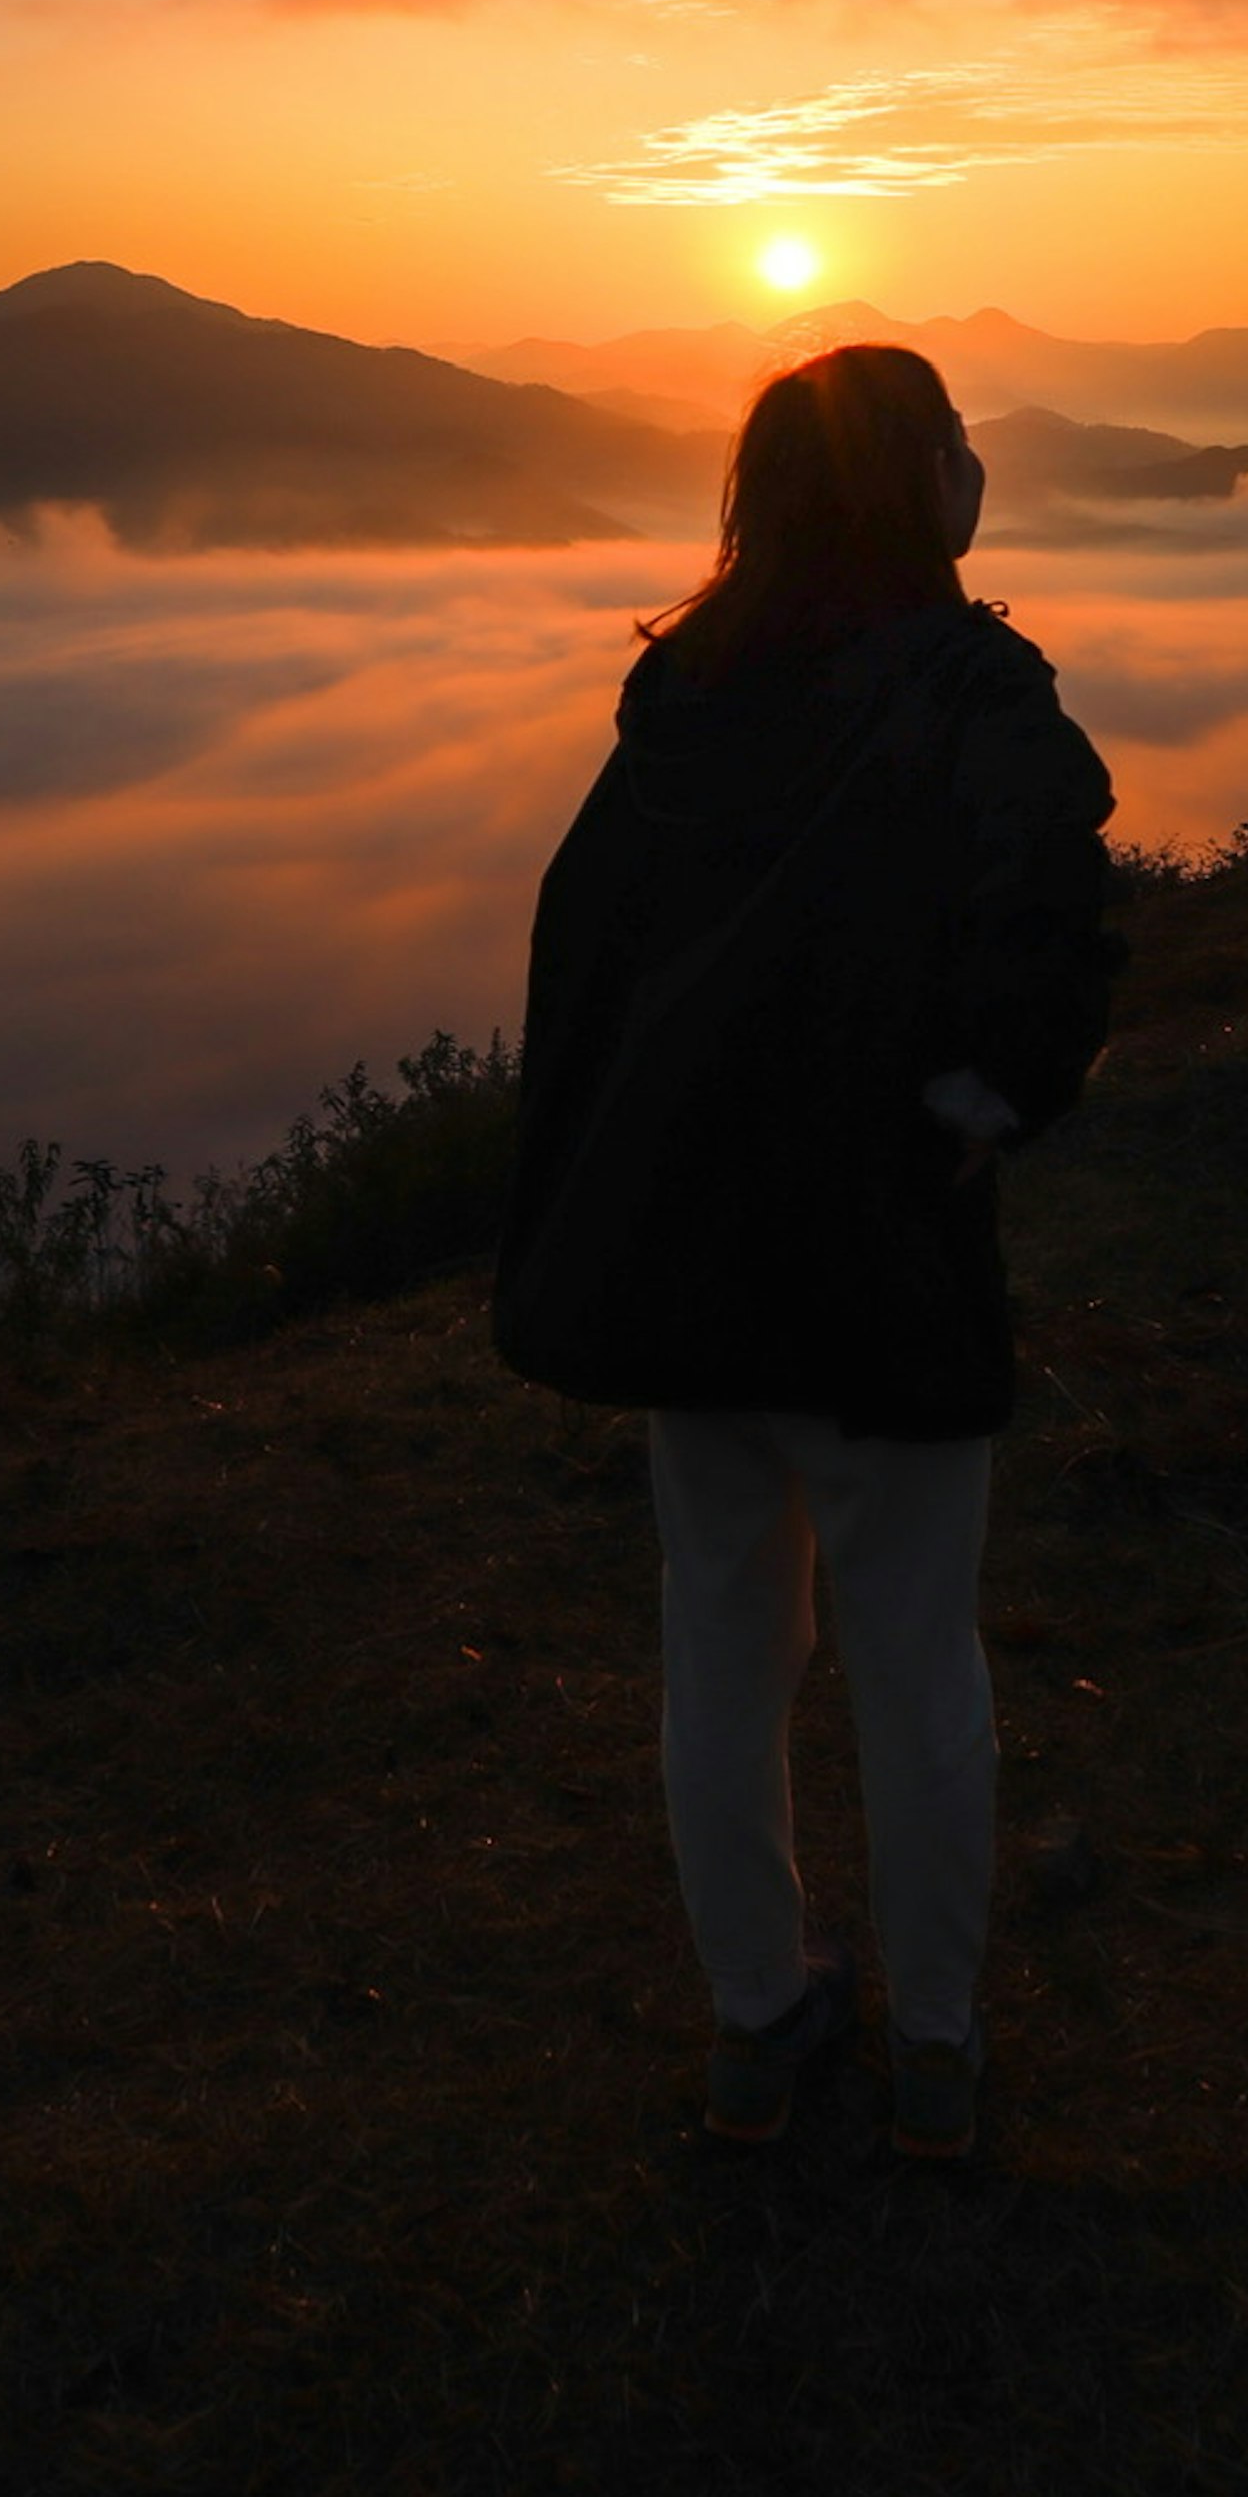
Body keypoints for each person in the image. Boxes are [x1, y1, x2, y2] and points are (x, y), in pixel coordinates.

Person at [493, 343, 1118, 2167]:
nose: (977, 471)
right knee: (917, 1660)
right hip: (879, 1257)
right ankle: (935, 2049)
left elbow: (586, 947)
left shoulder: (685, 688)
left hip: (689, 1260)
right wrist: (971, 1111)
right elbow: (1057, 923)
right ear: (918, 479)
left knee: (723, 1647)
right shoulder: (971, 686)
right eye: (956, 447)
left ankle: (758, 2015)